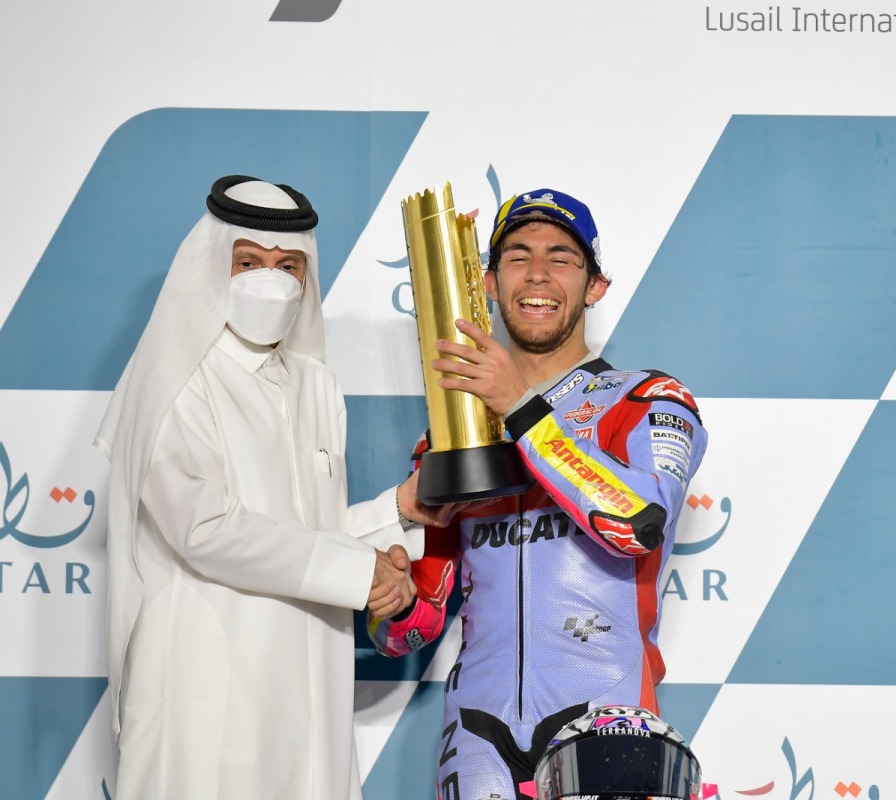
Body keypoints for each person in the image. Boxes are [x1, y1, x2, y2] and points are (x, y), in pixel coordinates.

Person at [95, 175, 458, 799]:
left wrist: (396, 512)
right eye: (248, 263)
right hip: (208, 687)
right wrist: (361, 571)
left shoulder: (315, 385)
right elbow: (203, 531)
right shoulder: (172, 379)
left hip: (308, 686)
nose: (271, 279)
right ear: (213, 267)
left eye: (289, 265)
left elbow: (302, 532)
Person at [372, 188, 709, 800]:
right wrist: (392, 603)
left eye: (561, 258)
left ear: (595, 286)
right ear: (490, 282)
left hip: (604, 722)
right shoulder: (456, 434)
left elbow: (638, 524)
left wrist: (521, 410)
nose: (537, 274)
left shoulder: (648, 401)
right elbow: (412, 631)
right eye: (518, 256)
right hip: (476, 731)